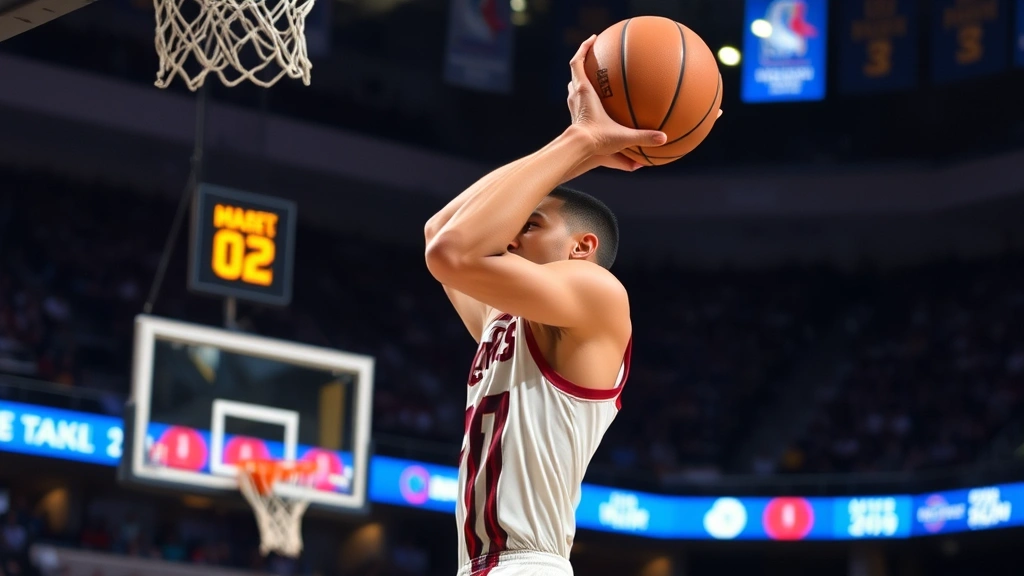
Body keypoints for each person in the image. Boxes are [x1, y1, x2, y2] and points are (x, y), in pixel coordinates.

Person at [424, 36, 710, 575]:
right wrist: (573, 145)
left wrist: (580, 144)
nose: (507, 237)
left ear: (583, 248)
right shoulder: (505, 320)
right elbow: (440, 229)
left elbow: (451, 250)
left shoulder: (596, 292)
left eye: (527, 225)